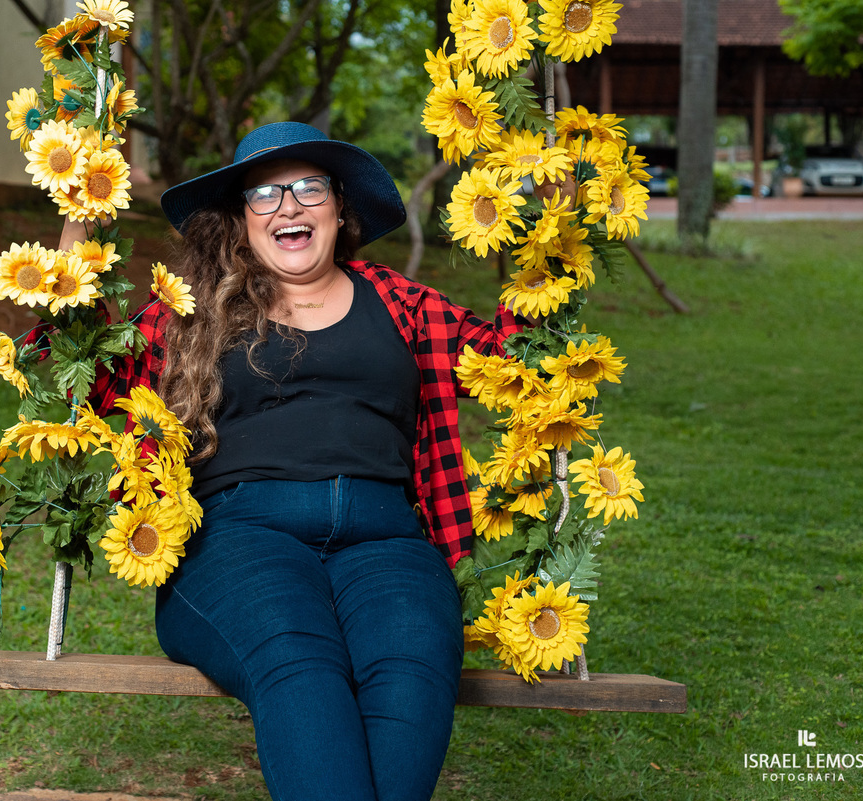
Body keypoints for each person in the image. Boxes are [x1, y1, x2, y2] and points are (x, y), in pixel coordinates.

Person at [62, 122, 526, 801]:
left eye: (309, 187)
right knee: (300, 660)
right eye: (265, 193)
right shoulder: (195, 311)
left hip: (388, 539)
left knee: (415, 659)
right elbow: (85, 369)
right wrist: (76, 237)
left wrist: (550, 238)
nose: (289, 205)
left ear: (340, 208)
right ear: (241, 220)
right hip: (239, 538)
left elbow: (525, 360)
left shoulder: (399, 303)